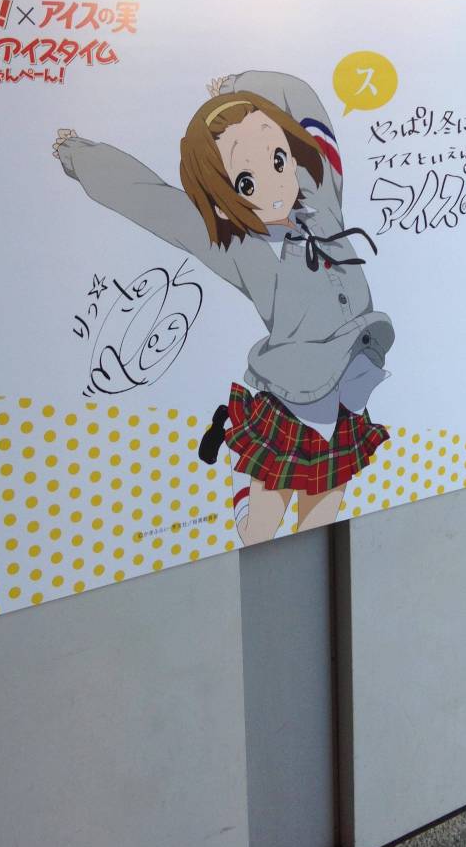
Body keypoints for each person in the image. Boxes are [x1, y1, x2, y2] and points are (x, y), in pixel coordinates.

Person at [53, 70, 395, 545]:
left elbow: (307, 107)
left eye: (279, 159)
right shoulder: (243, 249)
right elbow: (157, 205)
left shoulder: (321, 197)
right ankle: (244, 486)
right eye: (246, 182)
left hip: (348, 394)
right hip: (292, 403)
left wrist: (241, 83)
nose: (275, 185)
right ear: (222, 199)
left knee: (321, 519)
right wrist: (80, 156)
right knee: (258, 532)